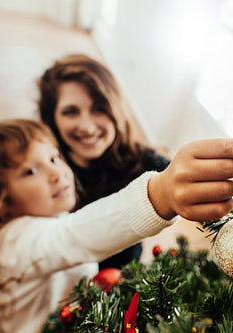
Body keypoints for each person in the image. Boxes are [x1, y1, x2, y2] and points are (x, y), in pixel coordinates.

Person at [0, 118, 233, 333]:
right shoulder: (12, 242)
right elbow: (73, 237)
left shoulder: (44, 220)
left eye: (53, 158)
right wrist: (160, 193)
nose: (56, 174)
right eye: (29, 171)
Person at [38, 54, 170, 270]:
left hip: (121, 283)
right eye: (71, 112)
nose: (87, 127)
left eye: (99, 108)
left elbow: (182, 174)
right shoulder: (42, 170)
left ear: (115, 109)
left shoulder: (142, 161)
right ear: (52, 117)